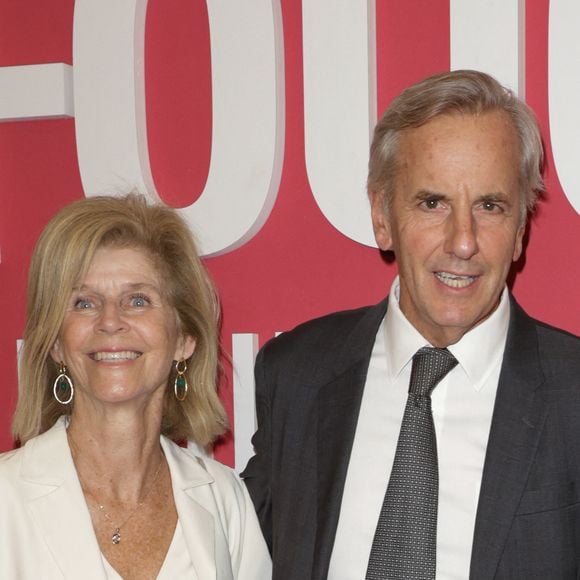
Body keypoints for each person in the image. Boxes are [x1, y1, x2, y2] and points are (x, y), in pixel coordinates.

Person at [242, 70, 580, 579]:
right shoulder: (296, 374)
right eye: (432, 203)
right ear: (382, 217)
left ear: (520, 231)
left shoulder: (573, 393)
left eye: (490, 206)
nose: (462, 241)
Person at [0, 194, 271, 579]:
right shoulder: (4, 498)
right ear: (57, 344)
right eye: (84, 303)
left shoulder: (225, 501)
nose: (111, 321)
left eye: (138, 300)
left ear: (184, 339)